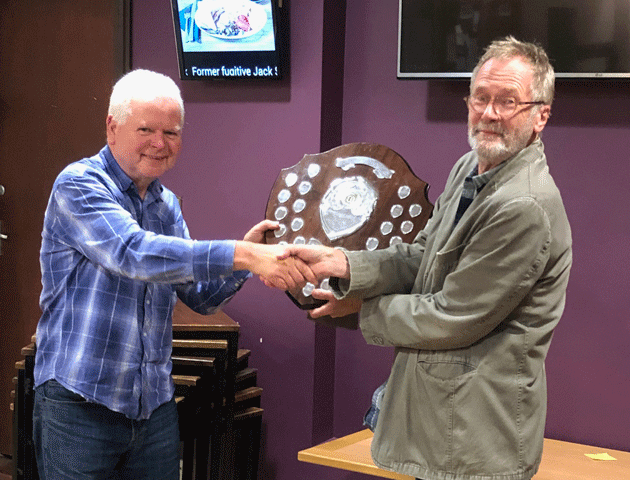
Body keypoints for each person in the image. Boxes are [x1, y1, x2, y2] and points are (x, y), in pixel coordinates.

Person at [282, 37, 572, 480]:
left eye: (508, 101)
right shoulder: (468, 169)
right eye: (481, 98)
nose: (490, 113)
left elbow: (454, 314)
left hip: (475, 442)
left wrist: (362, 310)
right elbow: (423, 256)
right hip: (438, 428)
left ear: (540, 116)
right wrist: (343, 264)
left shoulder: (523, 206)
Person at [32, 69, 315, 480]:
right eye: (146, 129)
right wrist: (243, 255)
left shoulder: (165, 204)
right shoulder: (78, 185)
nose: (160, 143)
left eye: (172, 132)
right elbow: (132, 253)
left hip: (153, 409)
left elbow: (199, 296)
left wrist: (248, 261)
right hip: (80, 402)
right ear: (113, 128)